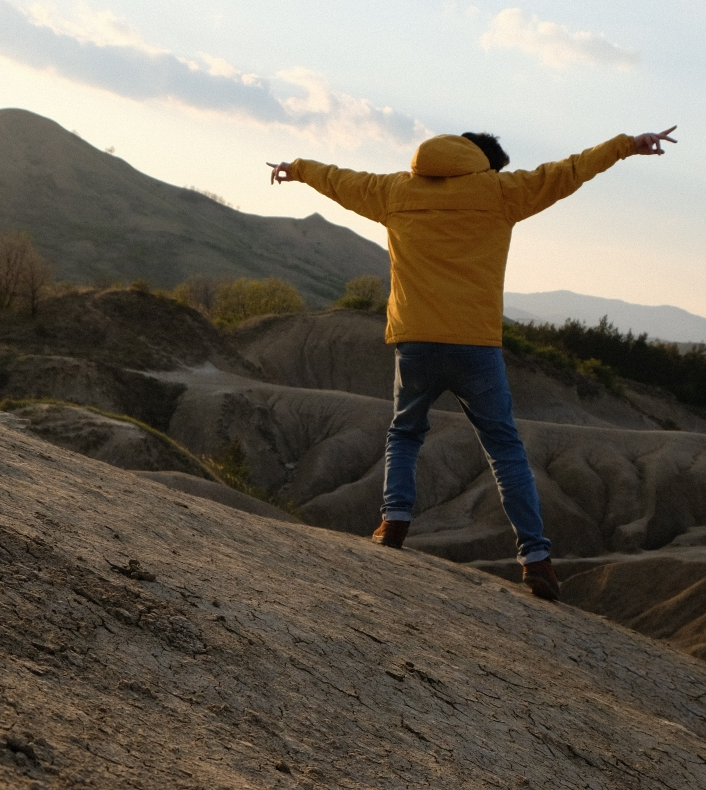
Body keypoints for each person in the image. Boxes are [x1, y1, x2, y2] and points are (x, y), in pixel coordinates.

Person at [268, 126, 677, 601]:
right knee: (504, 450)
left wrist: (295, 169)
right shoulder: (501, 192)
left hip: (416, 341)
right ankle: (536, 558)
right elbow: (567, 171)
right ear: (485, 163)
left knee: (404, 433)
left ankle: (394, 521)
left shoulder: (393, 191)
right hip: (474, 346)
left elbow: (338, 178)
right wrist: (627, 145)